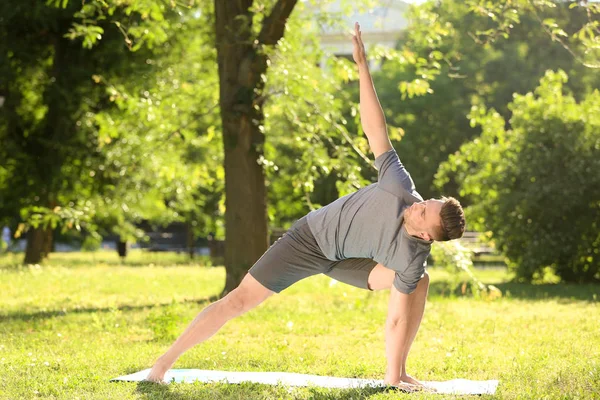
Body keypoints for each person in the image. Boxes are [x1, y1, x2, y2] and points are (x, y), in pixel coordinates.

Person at [146, 22, 466, 388]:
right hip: (309, 241)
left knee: (418, 282)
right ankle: (162, 365)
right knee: (239, 300)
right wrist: (362, 67)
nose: (418, 204)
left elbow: (396, 317)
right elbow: (375, 130)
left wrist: (391, 382)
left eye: (424, 211)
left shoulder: (411, 257)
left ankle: (397, 375)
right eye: (426, 202)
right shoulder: (399, 187)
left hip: (349, 261)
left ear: (426, 235)